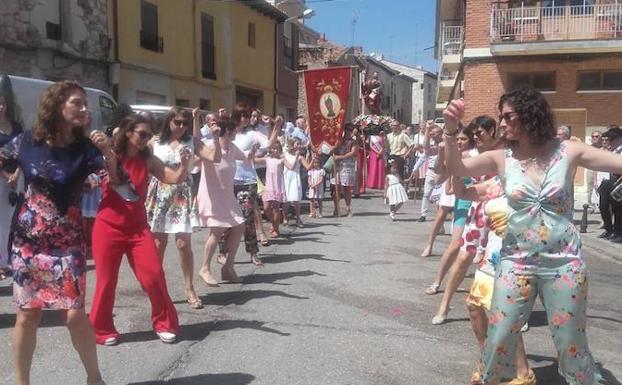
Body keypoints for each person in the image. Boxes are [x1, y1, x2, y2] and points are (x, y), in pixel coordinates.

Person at [443, 85, 621, 385]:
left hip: (564, 264)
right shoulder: (502, 158)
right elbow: (457, 167)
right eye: (500, 116)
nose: (501, 123)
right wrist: (449, 132)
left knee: (570, 344)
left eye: (507, 116)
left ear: (529, 114)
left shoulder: (568, 151)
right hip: (516, 263)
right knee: (499, 336)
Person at [1, 80, 107, 385]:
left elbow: (116, 179)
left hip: (68, 244)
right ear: (57, 106)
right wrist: (12, 173)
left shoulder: (85, 148)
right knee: (27, 316)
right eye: (77, 103)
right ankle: (22, 382)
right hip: (28, 245)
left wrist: (107, 151)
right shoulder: (26, 142)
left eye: (85, 103)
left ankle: (94, 378)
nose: (85, 109)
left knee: (74, 316)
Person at [89, 114, 193, 346]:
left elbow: (173, 177)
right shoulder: (112, 156)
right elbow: (115, 177)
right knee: (106, 281)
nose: (147, 139)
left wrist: (185, 164)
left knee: (154, 276)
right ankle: (102, 329)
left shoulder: (148, 160)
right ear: (128, 133)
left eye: (149, 135)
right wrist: (106, 148)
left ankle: (164, 323)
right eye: (143, 134)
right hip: (108, 227)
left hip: (137, 229)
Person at [145, 107, 222, 310]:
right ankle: (157, 288)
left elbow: (215, 158)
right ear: (168, 122)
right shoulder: (155, 142)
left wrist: (216, 138)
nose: (181, 127)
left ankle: (189, 288)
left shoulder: (192, 141)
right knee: (158, 244)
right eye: (177, 122)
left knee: (182, 244)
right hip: (159, 194)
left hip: (182, 195)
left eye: (185, 123)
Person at [431, 115, 499, 322]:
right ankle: (444, 305)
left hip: (501, 215)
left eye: (480, 133)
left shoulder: (504, 154)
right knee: (462, 259)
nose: (475, 137)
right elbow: (442, 172)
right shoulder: (472, 155)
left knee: (501, 264)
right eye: (473, 133)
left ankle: (511, 313)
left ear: (492, 132)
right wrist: (446, 147)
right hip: (478, 213)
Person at [196, 118, 259, 286]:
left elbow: (246, 158)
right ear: (228, 131)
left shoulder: (232, 147)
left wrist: (252, 151)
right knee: (217, 231)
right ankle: (205, 268)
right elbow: (197, 153)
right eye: (235, 130)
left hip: (227, 196)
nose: (237, 132)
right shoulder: (209, 144)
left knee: (240, 226)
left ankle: (228, 267)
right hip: (212, 195)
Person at [220, 103, 280, 265]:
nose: (247, 119)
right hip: (228, 180)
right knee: (226, 217)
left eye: (248, 116)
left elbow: (269, 144)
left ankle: (253, 252)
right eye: (244, 115)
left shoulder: (253, 134)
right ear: (237, 116)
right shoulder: (227, 132)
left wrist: (276, 126)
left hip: (247, 181)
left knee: (247, 218)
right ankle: (223, 251)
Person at [420, 126, 475, 259]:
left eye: (463, 139)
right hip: (452, 186)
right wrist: (441, 152)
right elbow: (438, 178)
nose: (459, 141)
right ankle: (430, 245)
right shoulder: (451, 152)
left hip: (470, 193)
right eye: (458, 139)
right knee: (441, 214)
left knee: (469, 227)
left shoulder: (474, 154)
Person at [0, 86, 23, 280]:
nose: (0, 107)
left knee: (10, 222)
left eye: (2, 103)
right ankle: (2, 262)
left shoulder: (16, 127)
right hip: (1, 177)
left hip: (16, 178)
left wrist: (16, 174)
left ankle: (6, 260)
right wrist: (5, 175)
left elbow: (24, 153)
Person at [597, 126, 622, 242]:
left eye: (611, 139)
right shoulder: (611, 150)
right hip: (606, 181)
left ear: (619, 138)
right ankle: (609, 229)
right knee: (603, 206)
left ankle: (618, 233)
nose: (609, 141)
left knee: (618, 209)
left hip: (617, 181)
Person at [259, 143, 286, 237]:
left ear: (279, 150)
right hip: (268, 187)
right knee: (266, 208)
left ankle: (276, 229)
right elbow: (253, 160)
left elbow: (291, 166)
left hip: (277, 186)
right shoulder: (267, 159)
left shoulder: (281, 160)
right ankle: (274, 224)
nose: (274, 150)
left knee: (275, 209)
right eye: (273, 148)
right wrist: (253, 151)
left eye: (276, 149)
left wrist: (293, 157)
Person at [332, 123, 359, 217]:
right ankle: (336, 208)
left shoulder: (353, 141)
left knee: (346, 188)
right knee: (335, 188)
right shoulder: (339, 140)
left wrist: (340, 157)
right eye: (346, 130)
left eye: (349, 130)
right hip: (337, 166)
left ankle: (348, 207)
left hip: (347, 165)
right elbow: (333, 149)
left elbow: (353, 152)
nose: (348, 132)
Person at [283, 138, 310, 227]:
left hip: (295, 178)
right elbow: (291, 167)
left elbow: (308, 167)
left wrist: (312, 159)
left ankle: (298, 219)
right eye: (297, 144)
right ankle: (285, 218)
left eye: (299, 144)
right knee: (286, 200)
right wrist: (296, 157)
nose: (299, 146)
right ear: (292, 144)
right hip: (286, 178)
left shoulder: (300, 157)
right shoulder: (285, 155)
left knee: (296, 200)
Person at [585, 130, 602, 209]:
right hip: (591, 170)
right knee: (589, 188)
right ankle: (590, 205)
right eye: (593, 136)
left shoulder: (604, 146)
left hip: (601, 171)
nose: (594, 138)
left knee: (600, 188)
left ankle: (601, 205)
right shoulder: (589, 147)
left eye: (596, 136)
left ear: (600, 137)